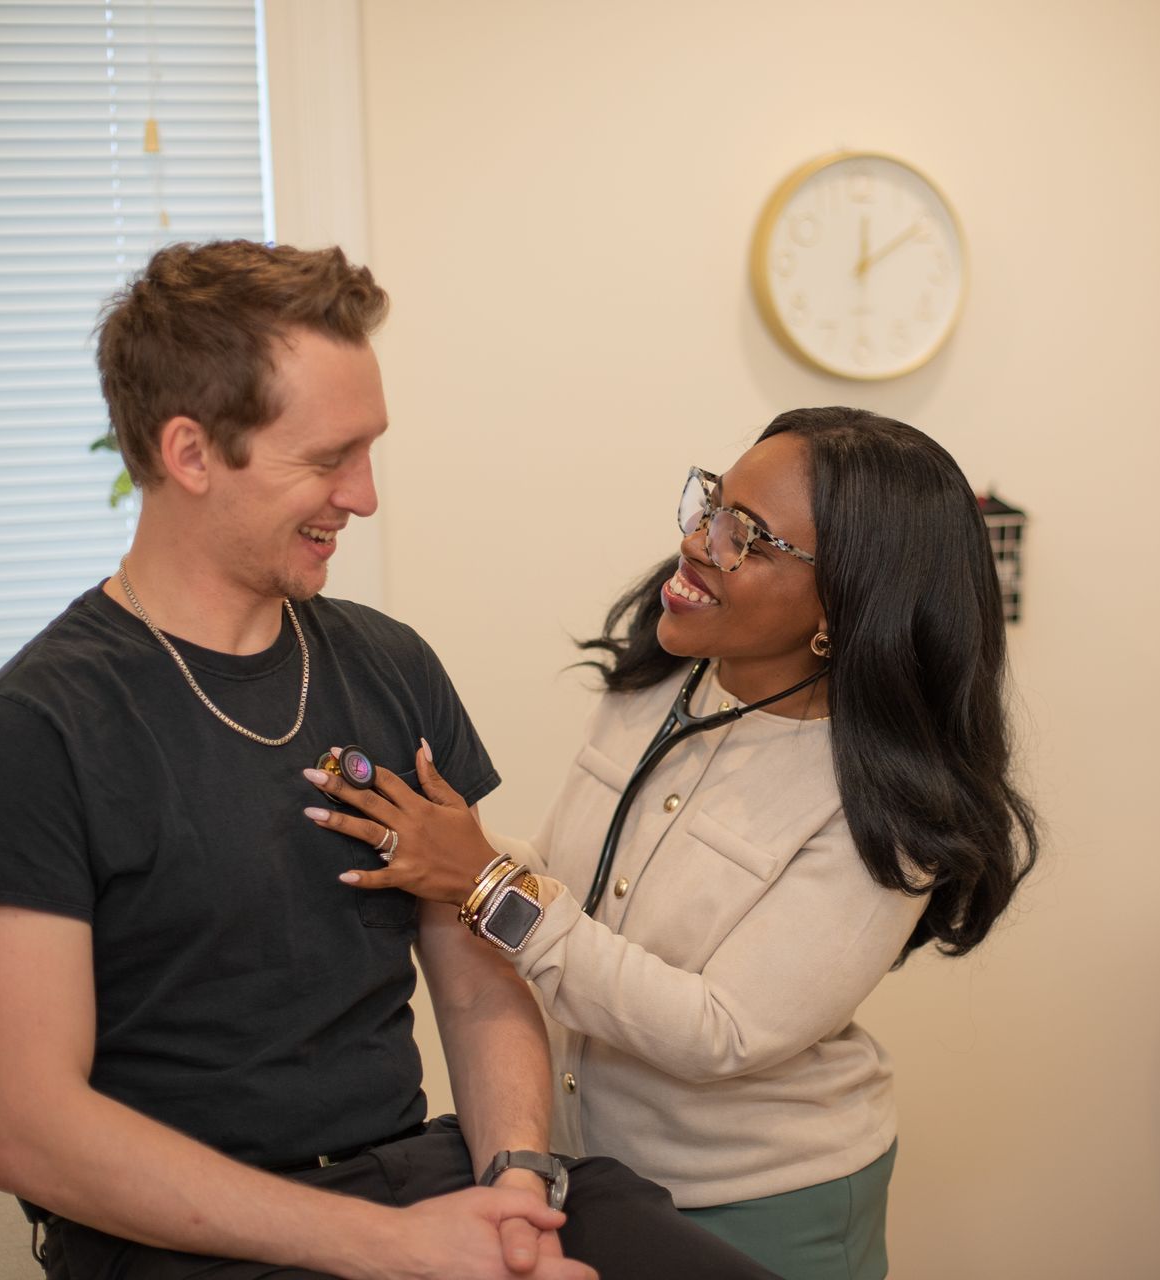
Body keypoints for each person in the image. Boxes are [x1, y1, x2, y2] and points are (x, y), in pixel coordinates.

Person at [0, 239, 777, 1280]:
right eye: (328, 458)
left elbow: (473, 986)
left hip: (424, 1180)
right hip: (193, 1239)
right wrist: (394, 1249)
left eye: (369, 449)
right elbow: (26, 1129)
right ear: (191, 453)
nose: (365, 494)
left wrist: (515, 1183)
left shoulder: (387, 666)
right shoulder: (37, 730)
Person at [306, 406, 1041, 1279]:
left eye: (749, 538)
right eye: (711, 505)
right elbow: (570, 888)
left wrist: (488, 885)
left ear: (846, 608)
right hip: (592, 1173)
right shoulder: (659, 679)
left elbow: (719, 1030)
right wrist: (443, 846)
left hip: (761, 1206)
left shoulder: (886, 808)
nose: (698, 541)